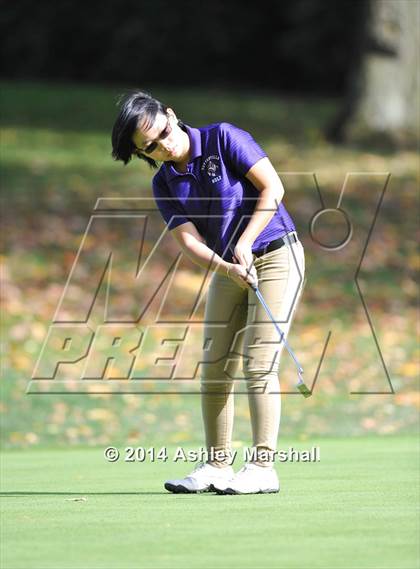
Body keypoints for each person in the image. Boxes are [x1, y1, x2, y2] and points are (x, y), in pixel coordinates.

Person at [111, 90, 305, 495]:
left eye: (162, 133)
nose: (163, 146)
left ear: (171, 115)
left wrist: (246, 241)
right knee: (215, 367)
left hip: (277, 253)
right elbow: (189, 241)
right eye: (150, 148)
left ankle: (263, 467)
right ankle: (218, 465)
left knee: (259, 362)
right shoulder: (164, 182)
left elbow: (273, 188)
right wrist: (228, 267)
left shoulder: (223, 137)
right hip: (230, 268)